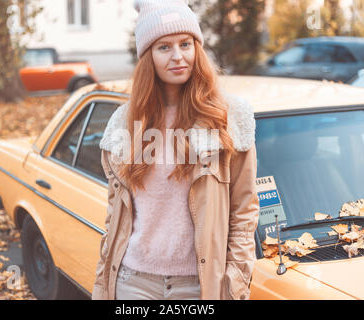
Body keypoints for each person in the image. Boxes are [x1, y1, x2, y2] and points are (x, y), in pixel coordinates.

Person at [92, 0, 259, 300]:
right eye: (164, 47)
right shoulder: (125, 124)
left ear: (197, 48)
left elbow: (244, 212)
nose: (178, 56)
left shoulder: (229, 119)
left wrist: (235, 277)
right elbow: (114, 216)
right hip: (134, 281)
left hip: (198, 285)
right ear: (148, 57)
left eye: (185, 44)